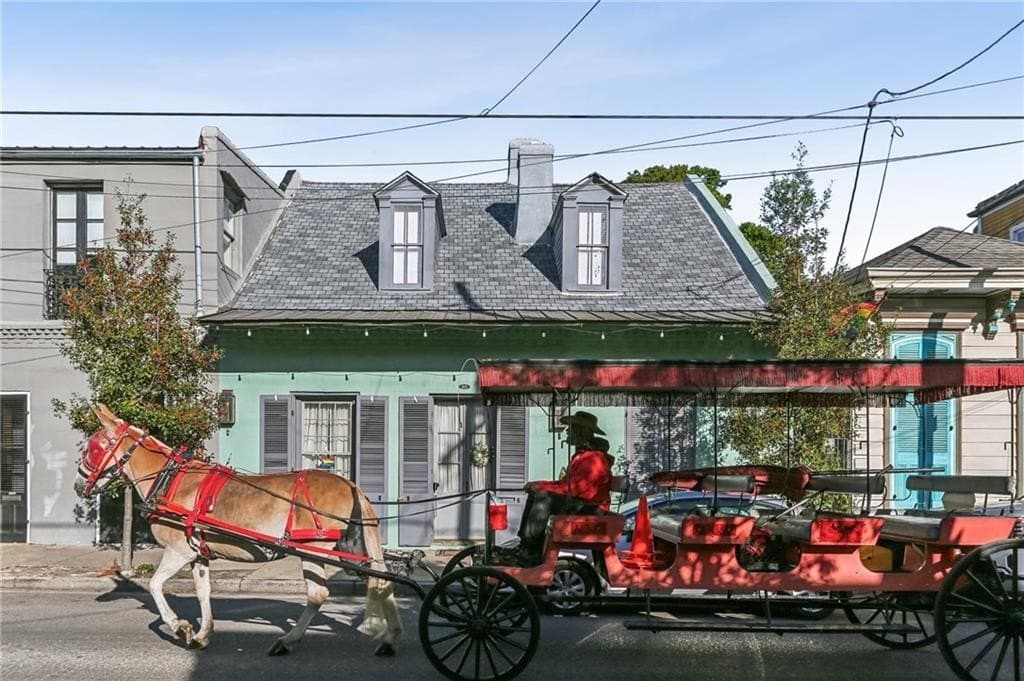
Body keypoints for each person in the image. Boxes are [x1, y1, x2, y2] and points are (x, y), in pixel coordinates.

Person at [500, 411, 615, 566]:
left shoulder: (594, 459)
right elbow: (564, 484)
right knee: (536, 494)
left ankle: (529, 550)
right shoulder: (582, 457)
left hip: (591, 509)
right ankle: (526, 546)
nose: (567, 432)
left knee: (544, 498)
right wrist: (538, 484)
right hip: (582, 504)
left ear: (582, 432)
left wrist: (541, 487)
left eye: (572, 428)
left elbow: (574, 490)